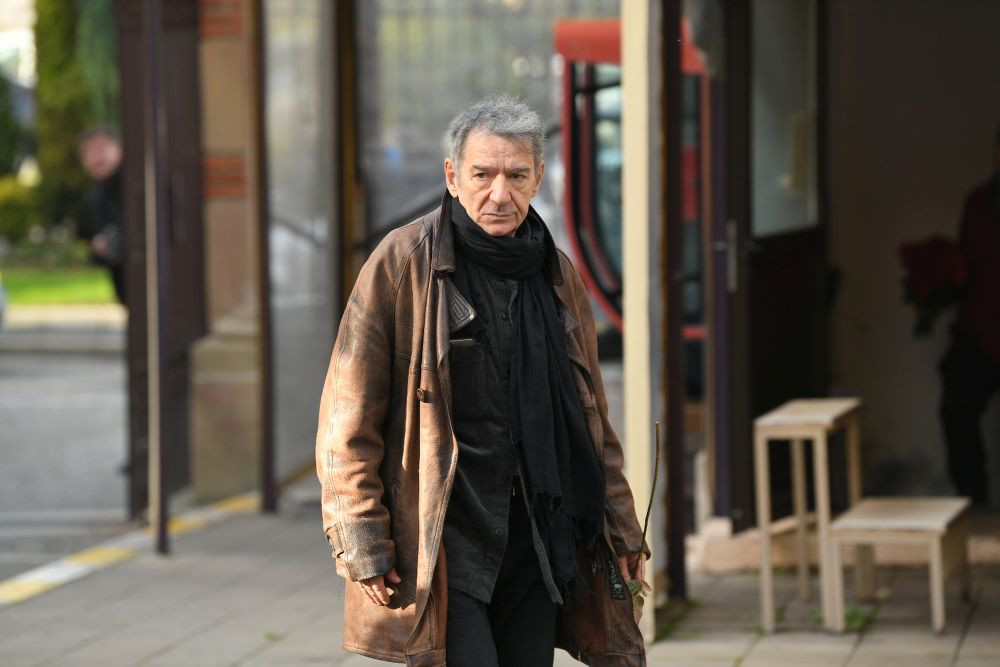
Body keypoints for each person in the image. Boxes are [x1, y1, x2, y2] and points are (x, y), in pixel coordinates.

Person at [316, 96, 648, 666]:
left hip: (537, 541)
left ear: (538, 178)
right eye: (482, 174)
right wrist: (361, 537)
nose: (500, 193)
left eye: (516, 176)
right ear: (452, 176)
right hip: (445, 543)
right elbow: (347, 415)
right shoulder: (404, 263)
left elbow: (591, 417)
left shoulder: (556, 273)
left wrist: (620, 530)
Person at [939, 124, 1000, 507]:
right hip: (980, 329)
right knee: (956, 410)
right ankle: (974, 499)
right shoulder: (979, 202)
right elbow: (964, 264)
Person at [77, 126, 126, 305]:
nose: (97, 157)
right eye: (89, 152)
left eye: (102, 148)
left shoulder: (129, 184)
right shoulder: (95, 193)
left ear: (119, 149)